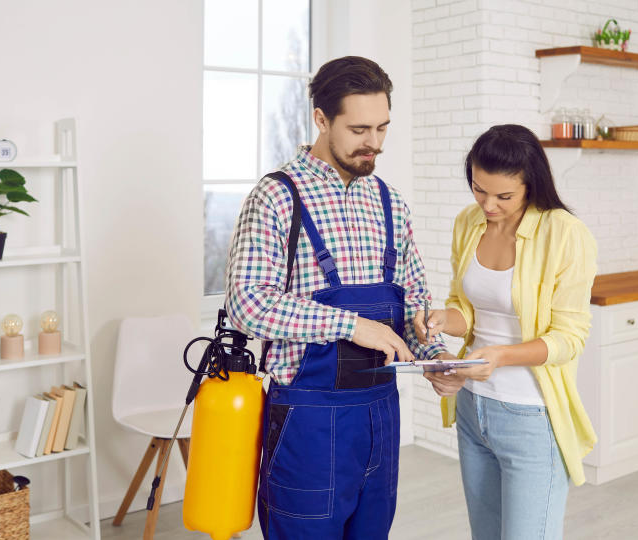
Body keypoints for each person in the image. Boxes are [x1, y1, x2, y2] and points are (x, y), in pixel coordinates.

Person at [225, 56, 452, 540]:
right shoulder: (277, 197)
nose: (374, 143)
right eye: (359, 129)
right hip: (309, 422)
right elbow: (248, 302)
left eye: (383, 128)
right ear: (322, 119)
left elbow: (414, 304)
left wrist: (437, 360)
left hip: (380, 417)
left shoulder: (390, 202)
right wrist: (351, 324)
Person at [413, 124, 598, 540]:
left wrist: (498, 358)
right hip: (473, 410)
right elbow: (469, 310)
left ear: (531, 185)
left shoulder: (564, 233)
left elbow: (570, 337)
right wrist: (444, 318)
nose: (488, 205)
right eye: (479, 190)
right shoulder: (468, 222)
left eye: (503, 196)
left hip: (530, 414)